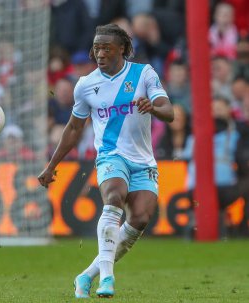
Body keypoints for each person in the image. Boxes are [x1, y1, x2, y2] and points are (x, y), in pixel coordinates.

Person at [38, 24, 174, 298]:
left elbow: (169, 112)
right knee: (113, 197)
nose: (99, 52)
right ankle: (108, 278)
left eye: (106, 48)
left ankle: (86, 275)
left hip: (143, 160)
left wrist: (154, 108)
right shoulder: (86, 85)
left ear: (121, 48)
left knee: (140, 218)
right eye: (96, 47)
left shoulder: (143, 73)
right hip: (110, 156)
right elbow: (74, 128)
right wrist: (52, 165)